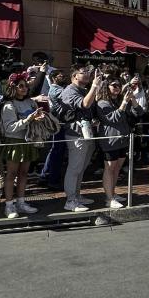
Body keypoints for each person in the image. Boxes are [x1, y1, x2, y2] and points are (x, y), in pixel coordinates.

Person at [55, 66, 102, 212]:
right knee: (74, 167)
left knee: (81, 167)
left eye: (88, 72)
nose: (87, 75)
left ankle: (77, 195)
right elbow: (85, 104)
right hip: (76, 134)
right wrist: (94, 85)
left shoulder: (82, 90)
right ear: (74, 76)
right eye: (84, 72)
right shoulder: (70, 91)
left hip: (86, 133)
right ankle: (70, 201)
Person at [0, 72, 44, 219]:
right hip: (15, 142)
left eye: (25, 86)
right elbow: (9, 128)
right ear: (13, 88)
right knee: (11, 174)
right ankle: (9, 205)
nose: (24, 88)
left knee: (24, 173)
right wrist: (29, 119)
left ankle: (21, 202)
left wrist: (40, 119)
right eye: (20, 86)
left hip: (28, 141)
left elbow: (34, 119)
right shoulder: (8, 105)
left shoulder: (31, 102)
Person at [95, 78, 140, 209]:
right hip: (110, 140)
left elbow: (139, 113)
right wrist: (124, 103)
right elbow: (112, 118)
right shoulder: (102, 103)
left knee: (117, 169)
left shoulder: (119, 101)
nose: (117, 87)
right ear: (107, 87)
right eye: (114, 85)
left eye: (119, 85)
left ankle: (112, 193)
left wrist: (131, 99)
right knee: (109, 168)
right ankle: (109, 199)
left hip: (122, 139)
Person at [38, 68, 69, 191]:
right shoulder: (57, 90)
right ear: (54, 78)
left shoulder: (58, 89)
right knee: (57, 152)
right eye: (61, 76)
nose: (64, 77)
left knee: (54, 151)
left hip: (59, 124)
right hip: (59, 124)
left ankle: (45, 175)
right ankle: (53, 180)